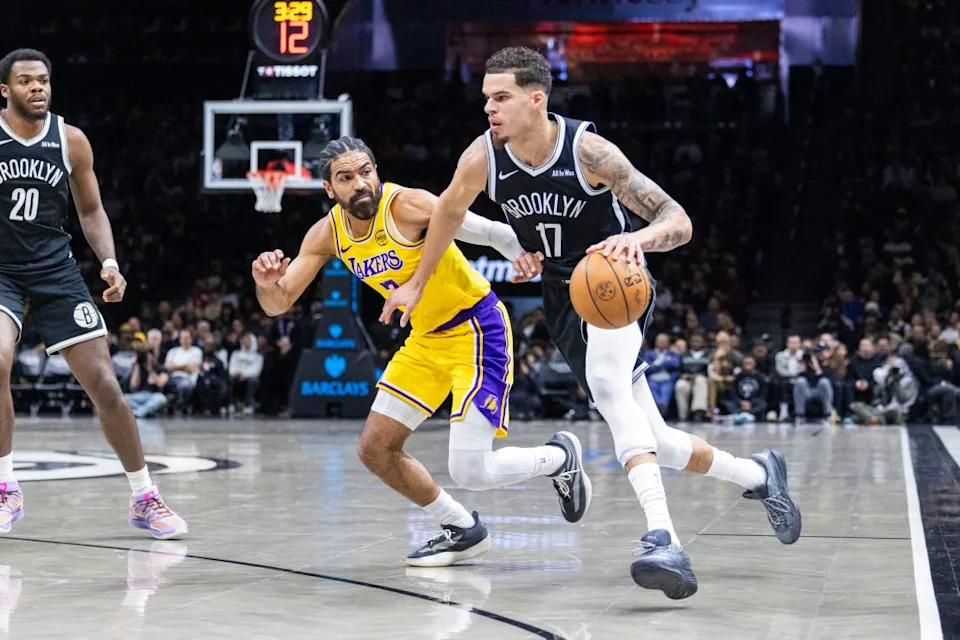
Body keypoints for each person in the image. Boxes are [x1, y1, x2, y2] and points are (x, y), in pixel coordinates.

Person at [380, 46, 800, 599]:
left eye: (501, 97)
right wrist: (426, 277)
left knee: (606, 384)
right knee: (659, 442)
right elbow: (449, 217)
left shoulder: (590, 152)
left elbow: (679, 218)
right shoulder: (481, 159)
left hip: (615, 284)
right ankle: (760, 475)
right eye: (486, 98)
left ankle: (663, 537)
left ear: (537, 99)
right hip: (561, 296)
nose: (490, 108)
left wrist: (637, 238)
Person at [252, 137, 590, 567]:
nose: (360, 184)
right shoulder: (326, 234)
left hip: (475, 328)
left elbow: (481, 228)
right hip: (426, 339)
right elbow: (279, 302)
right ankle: (461, 527)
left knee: (472, 470)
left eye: (366, 171)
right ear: (329, 189)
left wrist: (520, 252)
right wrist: (266, 283)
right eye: (346, 177)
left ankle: (560, 458)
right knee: (374, 449)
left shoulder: (404, 204)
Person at [0, 49, 185, 538]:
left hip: (55, 270)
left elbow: (91, 211)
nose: (37, 88)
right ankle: (5, 487)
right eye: (25, 81)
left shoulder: (71, 140)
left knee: (105, 384)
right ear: (5, 90)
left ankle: (145, 496)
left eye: (43, 80)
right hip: (1, 271)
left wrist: (108, 262)